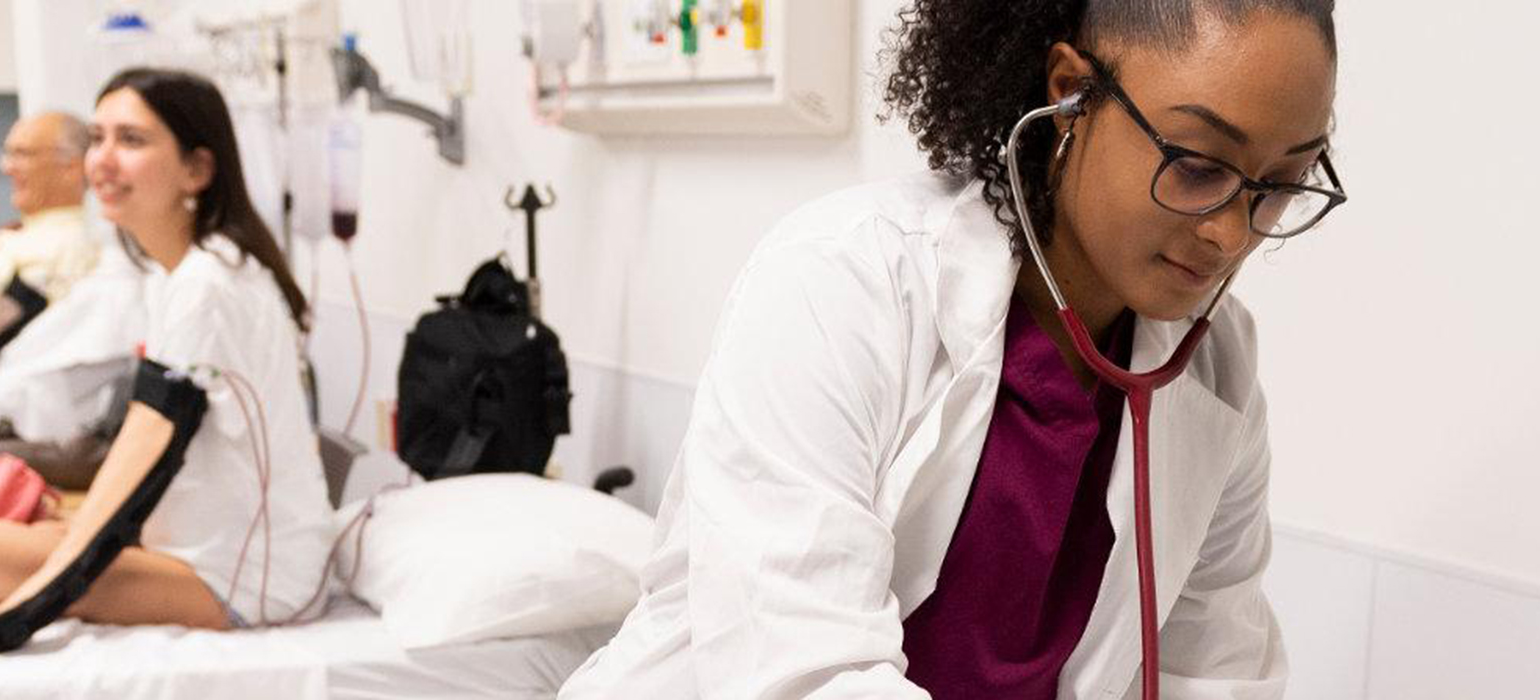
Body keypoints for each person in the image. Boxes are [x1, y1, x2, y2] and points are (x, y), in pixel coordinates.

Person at [559, 1, 1347, 698]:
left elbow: (1213, 668)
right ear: (1070, 94)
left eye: (1283, 182)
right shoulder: (840, 283)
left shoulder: (1219, 369)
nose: (1232, 233)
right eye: (1197, 164)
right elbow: (804, 674)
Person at [0, 68, 333, 630]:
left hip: (246, 581)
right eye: (96, 138)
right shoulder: (189, 272)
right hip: (208, 547)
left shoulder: (206, 283)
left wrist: (28, 606)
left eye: (131, 140)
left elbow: (146, 445)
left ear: (197, 170)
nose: (102, 159)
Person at [0, 111, 113, 488]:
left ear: (72, 168)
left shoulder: (66, 250)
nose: (8, 166)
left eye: (23, 154)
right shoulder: (11, 240)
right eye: (8, 153)